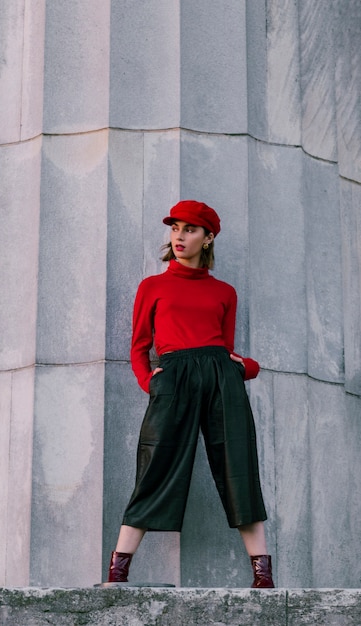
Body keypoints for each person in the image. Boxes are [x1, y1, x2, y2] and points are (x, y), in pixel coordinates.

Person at [106, 200, 274, 588]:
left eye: (190, 229)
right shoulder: (153, 287)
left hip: (220, 378)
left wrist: (244, 368)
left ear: (208, 237)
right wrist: (151, 382)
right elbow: (138, 347)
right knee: (155, 464)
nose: (180, 236)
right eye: (175, 228)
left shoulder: (225, 292)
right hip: (173, 377)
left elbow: (228, 348)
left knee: (238, 464)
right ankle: (118, 572)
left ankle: (263, 576)